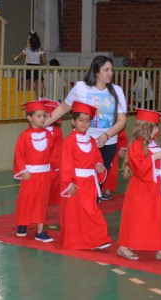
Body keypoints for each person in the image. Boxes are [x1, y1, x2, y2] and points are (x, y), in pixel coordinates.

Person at [45, 55, 127, 189]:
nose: (110, 73)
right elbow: (64, 107)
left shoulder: (117, 91)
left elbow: (122, 120)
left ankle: (92, 206)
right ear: (96, 71)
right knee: (83, 179)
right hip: (84, 142)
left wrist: (106, 136)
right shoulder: (80, 88)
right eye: (106, 70)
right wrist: (45, 123)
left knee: (98, 180)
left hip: (108, 142)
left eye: (111, 70)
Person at [117, 108, 161, 263]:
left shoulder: (152, 144)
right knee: (136, 218)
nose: (157, 130)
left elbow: (154, 166)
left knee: (159, 218)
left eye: (157, 126)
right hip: (141, 189)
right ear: (145, 127)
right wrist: (155, 158)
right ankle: (124, 247)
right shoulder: (136, 145)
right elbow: (139, 168)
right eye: (154, 127)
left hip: (156, 187)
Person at [60, 101, 111, 250]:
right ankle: (81, 241)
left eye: (87, 121)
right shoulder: (69, 142)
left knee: (91, 210)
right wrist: (68, 183)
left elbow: (96, 158)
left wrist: (99, 165)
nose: (84, 124)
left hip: (90, 183)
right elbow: (66, 164)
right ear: (73, 122)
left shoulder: (91, 141)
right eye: (80, 120)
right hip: (76, 183)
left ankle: (96, 239)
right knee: (76, 214)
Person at [13, 101, 59, 242]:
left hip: (44, 175)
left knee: (42, 202)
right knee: (25, 200)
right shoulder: (24, 136)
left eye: (44, 116)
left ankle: (40, 231)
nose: (42, 119)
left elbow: (54, 153)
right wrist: (22, 170)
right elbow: (19, 155)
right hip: (29, 175)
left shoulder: (48, 135)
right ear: (29, 118)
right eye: (39, 116)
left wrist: (56, 168)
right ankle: (22, 224)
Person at [39, 98, 63, 205]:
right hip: (42, 165)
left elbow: (60, 148)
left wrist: (59, 164)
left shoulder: (57, 131)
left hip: (54, 165)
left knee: (55, 185)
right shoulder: (37, 131)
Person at [101, 128, 128, 200]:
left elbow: (120, 129)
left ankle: (108, 190)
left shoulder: (114, 118)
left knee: (111, 169)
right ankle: (98, 189)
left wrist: (123, 147)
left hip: (112, 145)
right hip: (98, 143)